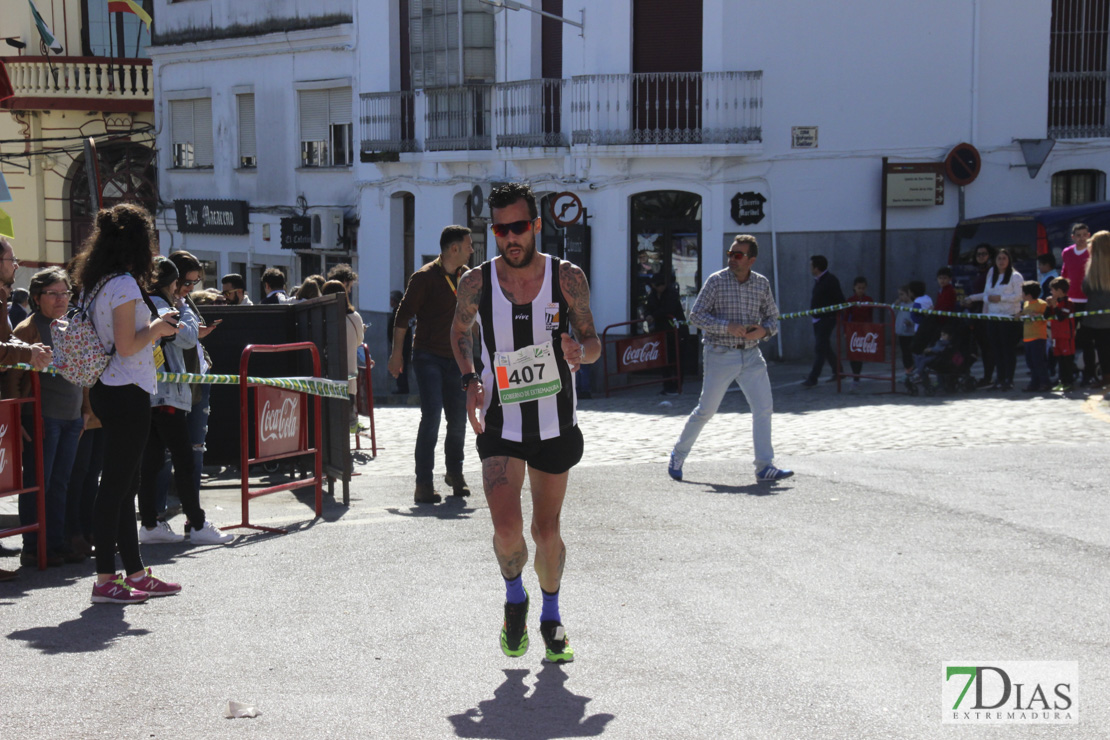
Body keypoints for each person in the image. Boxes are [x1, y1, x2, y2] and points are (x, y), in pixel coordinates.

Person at [450, 182, 600, 664]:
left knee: (545, 532)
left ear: (535, 226)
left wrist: (583, 351)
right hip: (500, 424)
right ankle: (516, 600)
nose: (510, 237)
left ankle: (551, 616)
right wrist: (469, 378)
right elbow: (459, 332)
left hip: (555, 423)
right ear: (492, 231)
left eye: (518, 227)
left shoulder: (567, 277)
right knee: (508, 528)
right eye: (500, 229)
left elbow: (592, 339)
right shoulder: (476, 282)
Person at [75, 204, 182, 603]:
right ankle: (106, 578)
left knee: (124, 483)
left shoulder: (95, 282)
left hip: (109, 388)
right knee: (117, 486)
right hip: (125, 389)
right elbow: (127, 344)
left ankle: (133, 572)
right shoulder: (122, 284)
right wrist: (158, 327)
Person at [668, 234, 793, 483]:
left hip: (751, 354)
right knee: (706, 410)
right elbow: (696, 316)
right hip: (720, 353)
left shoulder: (761, 283)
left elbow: (772, 318)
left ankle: (764, 466)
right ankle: (678, 454)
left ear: (751, 259)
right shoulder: (716, 281)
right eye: (730, 254)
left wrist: (764, 330)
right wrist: (727, 326)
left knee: (764, 408)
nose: (732, 259)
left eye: (738, 255)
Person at [136, 257, 233, 547]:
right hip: (168, 394)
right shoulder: (166, 307)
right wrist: (185, 309)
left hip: (149, 392)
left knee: (152, 460)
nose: (185, 289)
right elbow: (189, 338)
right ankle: (198, 523)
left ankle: (150, 523)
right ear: (172, 283)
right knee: (185, 459)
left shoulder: (142, 304)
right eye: (182, 284)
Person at [7, 268, 87, 566]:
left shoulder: (73, 325)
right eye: (53, 294)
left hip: (72, 416)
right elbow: (13, 378)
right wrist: (15, 417)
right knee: (39, 482)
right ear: (37, 298)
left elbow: (84, 371)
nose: (60, 299)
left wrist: (86, 411)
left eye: (64, 293)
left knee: (61, 482)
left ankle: (56, 542)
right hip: (41, 417)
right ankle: (34, 547)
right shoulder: (27, 329)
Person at [389, 225, 474, 503]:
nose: (472, 250)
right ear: (454, 249)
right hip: (427, 357)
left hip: (457, 358)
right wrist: (396, 355)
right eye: (468, 245)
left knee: (459, 420)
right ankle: (423, 483)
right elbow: (402, 317)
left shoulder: (467, 277)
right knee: (432, 417)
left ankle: (455, 474)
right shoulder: (424, 278)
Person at [966, 248, 1023, 390]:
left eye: (1004, 258)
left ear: (1009, 260)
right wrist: (973, 298)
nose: (1001, 261)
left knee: (1007, 349)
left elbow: (1019, 296)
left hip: (1009, 318)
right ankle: (999, 379)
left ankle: (1008, 379)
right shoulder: (991, 274)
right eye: (999, 258)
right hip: (993, 317)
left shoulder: (1016, 276)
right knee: (996, 350)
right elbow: (986, 295)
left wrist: (1001, 298)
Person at [322, 280, 366, 432]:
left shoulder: (323, 318)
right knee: (346, 416)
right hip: (349, 375)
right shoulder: (355, 317)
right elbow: (360, 340)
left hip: (327, 376)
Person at [1060, 223, 1098, 385]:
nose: (1082, 238)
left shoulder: (1093, 253)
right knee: (1067, 339)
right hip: (1070, 301)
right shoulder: (1067, 253)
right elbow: (1064, 274)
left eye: (1084, 234)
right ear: (1073, 237)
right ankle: (1068, 374)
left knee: (1087, 340)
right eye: (1078, 235)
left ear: (1089, 235)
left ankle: (1088, 374)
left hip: (1088, 302)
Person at [802, 254, 844, 387]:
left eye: (811, 265)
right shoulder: (819, 280)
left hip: (827, 319)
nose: (810, 268)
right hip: (818, 319)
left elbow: (840, 300)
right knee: (825, 347)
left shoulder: (830, 280)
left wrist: (831, 313)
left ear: (817, 268)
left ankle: (813, 377)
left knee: (820, 347)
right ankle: (838, 371)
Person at [645, 273, 686, 395]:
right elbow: (649, 306)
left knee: (676, 359)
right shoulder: (653, 295)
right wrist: (647, 314)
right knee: (664, 359)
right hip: (662, 332)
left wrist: (654, 315)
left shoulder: (672, 293)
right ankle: (667, 386)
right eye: (655, 286)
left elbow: (669, 309)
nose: (658, 288)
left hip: (676, 331)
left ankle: (677, 386)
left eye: (659, 285)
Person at [1080, 229, 1110, 388]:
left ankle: (1096, 375)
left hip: (1094, 317)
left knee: (1096, 346)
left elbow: (1086, 289)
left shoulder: (1092, 266)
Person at [967, 243, 997, 386]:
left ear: (990, 255)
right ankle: (987, 376)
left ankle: (989, 377)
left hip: (988, 312)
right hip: (977, 311)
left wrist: (972, 298)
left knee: (988, 347)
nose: (981, 256)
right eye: (978, 254)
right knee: (982, 346)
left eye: (984, 254)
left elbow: (988, 293)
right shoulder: (979, 271)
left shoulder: (991, 271)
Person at [1046, 277, 1077, 391]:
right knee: (1059, 360)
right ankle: (1061, 381)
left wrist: (1055, 306)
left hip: (1066, 336)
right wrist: (1049, 305)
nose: (1051, 293)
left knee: (1067, 360)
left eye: (1053, 290)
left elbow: (1061, 317)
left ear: (1059, 291)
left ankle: (1069, 382)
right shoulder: (1056, 303)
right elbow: (1046, 316)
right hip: (1056, 335)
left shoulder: (1068, 303)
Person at [1019, 280, 1050, 392]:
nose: (1021, 295)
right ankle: (1034, 383)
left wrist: (1037, 315)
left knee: (1039, 362)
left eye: (1022, 293)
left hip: (1038, 337)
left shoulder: (1042, 304)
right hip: (1027, 337)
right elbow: (1023, 314)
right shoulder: (1026, 304)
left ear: (1028, 295)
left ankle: (1045, 382)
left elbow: (1046, 317)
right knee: (1030, 362)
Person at [844, 276, 873, 387]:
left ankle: (857, 377)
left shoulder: (869, 300)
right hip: (853, 330)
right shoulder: (850, 301)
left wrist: (870, 328)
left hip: (864, 329)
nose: (861, 290)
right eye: (859, 288)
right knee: (853, 354)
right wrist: (845, 331)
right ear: (854, 287)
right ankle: (855, 376)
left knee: (860, 354)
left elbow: (870, 316)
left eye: (863, 288)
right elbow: (846, 317)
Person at [387, 289, 411, 394]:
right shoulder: (397, 311)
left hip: (402, 346)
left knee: (401, 366)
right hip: (399, 345)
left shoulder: (399, 313)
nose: (390, 302)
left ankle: (403, 387)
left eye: (391, 299)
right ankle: (401, 386)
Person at [893, 285, 917, 378]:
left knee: (909, 353)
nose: (900, 297)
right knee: (904, 353)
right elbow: (892, 312)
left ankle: (911, 371)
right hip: (901, 333)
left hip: (910, 333)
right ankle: (908, 371)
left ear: (909, 294)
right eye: (899, 295)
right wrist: (895, 304)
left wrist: (910, 323)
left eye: (902, 294)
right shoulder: (900, 305)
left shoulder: (913, 305)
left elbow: (916, 319)